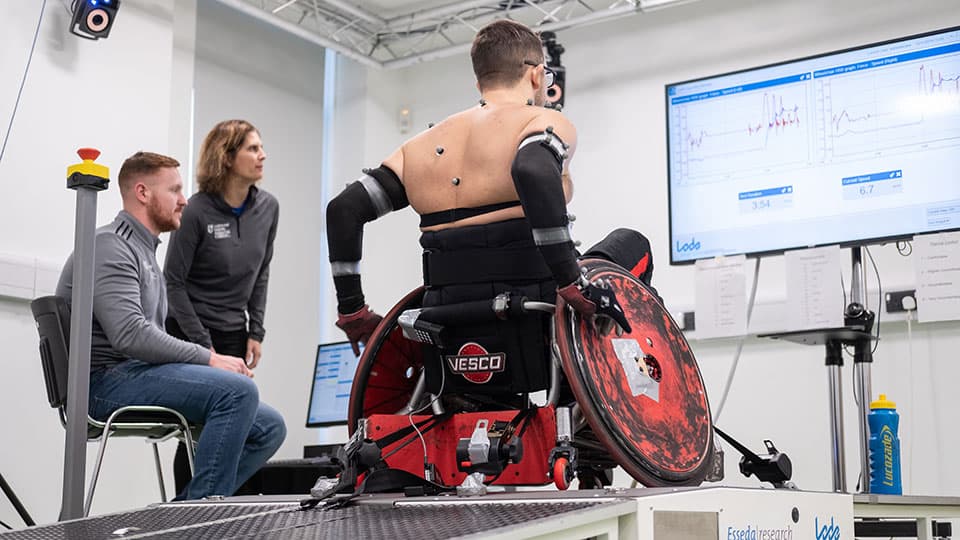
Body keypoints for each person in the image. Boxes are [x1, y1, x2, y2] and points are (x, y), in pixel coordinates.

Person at [326, 19, 651, 397]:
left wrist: (353, 311)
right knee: (634, 242)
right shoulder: (541, 121)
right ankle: (618, 393)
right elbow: (530, 169)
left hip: (451, 320)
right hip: (536, 310)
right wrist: (571, 282)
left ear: (479, 81)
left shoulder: (421, 145)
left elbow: (343, 210)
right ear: (536, 75)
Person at [56, 151, 286, 501]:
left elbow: (148, 337)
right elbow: (130, 334)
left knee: (269, 426)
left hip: (130, 373)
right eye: (175, 190)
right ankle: (196, 520)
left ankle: (182, 513)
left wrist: (209, 362)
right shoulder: (110, 245)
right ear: (143, 193)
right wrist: (209, 359)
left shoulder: (143, 250)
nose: (184, 200)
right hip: (102, 384)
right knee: (237, 392)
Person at [163, 119, 279, 495]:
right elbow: (173, 281)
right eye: (252, 148)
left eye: (261, 147)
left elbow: (262, 272)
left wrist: (255, 331)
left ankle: (211, 510)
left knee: (238, 427)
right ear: (226, 158)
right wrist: (202, 344)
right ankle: (189, 516)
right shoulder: (196, 210)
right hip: (190, 332)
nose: (262, 155)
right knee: (197, 431)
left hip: (234, 332)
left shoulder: (269, 208)